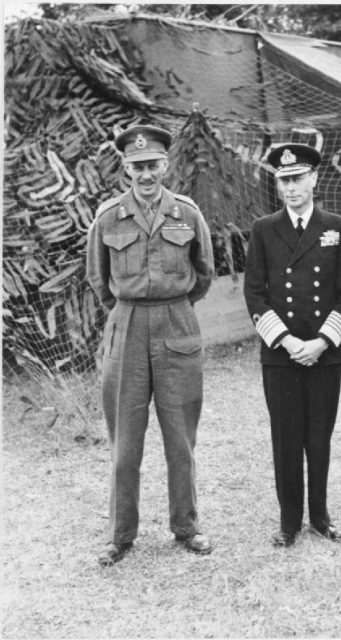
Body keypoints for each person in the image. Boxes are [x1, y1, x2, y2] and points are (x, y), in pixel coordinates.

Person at [86, 124, 215, 566]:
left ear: (165, 165)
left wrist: (172, 305)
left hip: (177, 324)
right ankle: (120, 534)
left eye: (153, 165)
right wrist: (129, 311)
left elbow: (204, 273)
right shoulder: (107, 217)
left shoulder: (187, 213)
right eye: (137, 166)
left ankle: (186, 526)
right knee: (126, 442)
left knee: (180, 438)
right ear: (125, 168)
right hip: (128, 325)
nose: (145, 174)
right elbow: (98, 279)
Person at [244, 143, 341, 547]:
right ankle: (289, 521)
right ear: (277, 185)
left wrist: (322, 342)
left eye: (298, 179)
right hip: (281, 354)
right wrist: (289, 341)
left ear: (314, 179)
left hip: (324, 355)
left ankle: (321, 517)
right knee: (286, 437)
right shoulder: (262, 229)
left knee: (319, 436)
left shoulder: (337, 227)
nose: (291, 188)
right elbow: (255, 295)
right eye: (284, 181)